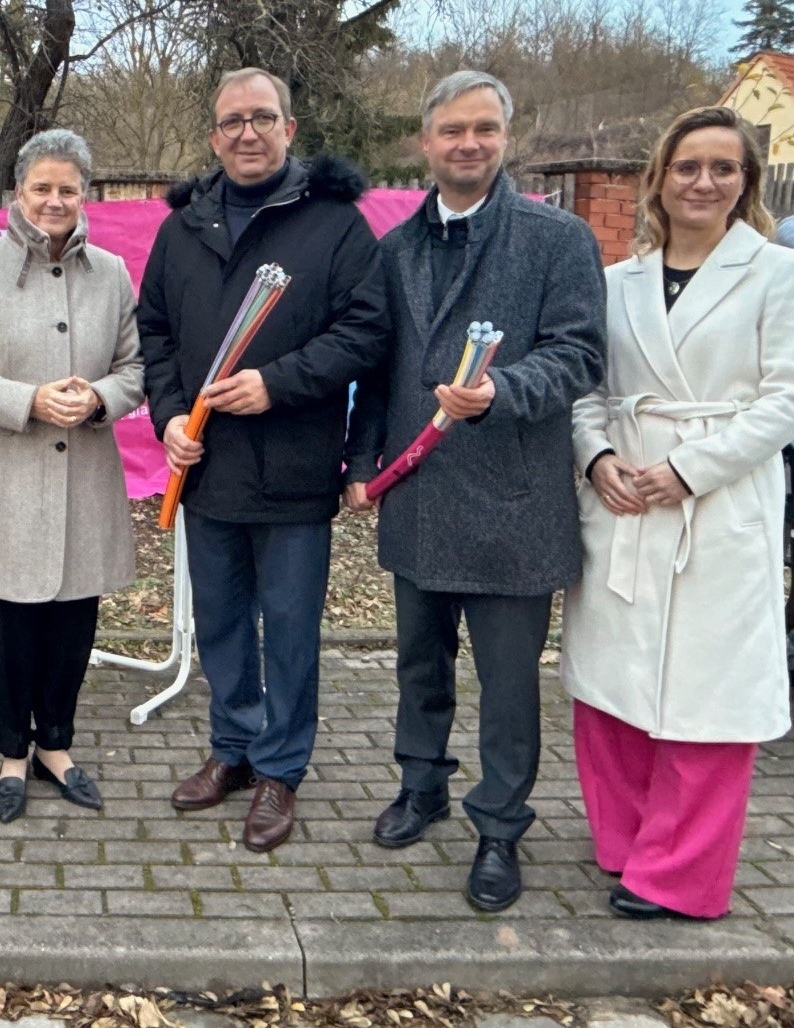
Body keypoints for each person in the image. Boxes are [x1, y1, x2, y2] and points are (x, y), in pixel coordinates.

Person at [343, 71, 606, 912]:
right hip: (417, 493)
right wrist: (360, 466)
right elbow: (378, 378)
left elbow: (579, 355)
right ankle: (420, 786)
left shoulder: (554, 239)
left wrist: (504, 391)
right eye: (452, 130)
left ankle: (498, 824)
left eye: (484, 130)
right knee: (420, 664)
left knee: (507, 684)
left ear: (504, 138)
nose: (468, 144)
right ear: (424, 143)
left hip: (512, 501)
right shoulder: (393, 250)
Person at [137, 68, 389, 852]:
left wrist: (276, 383)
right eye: (232, 122)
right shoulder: (183, 229)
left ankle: (281, 768)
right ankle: (233, 749)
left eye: (263, 118)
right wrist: (172, 416)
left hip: (292, 467)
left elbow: (365, 332)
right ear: (213, 138)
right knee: (218, 625)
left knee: (287, 629)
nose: (248, 133)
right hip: (206, 469)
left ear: (288, 127)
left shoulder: (334, 225)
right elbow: (155, 336)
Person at [561, 106, 794, 920]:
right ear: (657, 177)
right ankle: (623, 843)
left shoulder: (775, 273)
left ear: (744, 183)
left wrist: (690, 470)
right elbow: (586, 386)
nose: (703, 181)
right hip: (622, 496)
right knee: (612, 683)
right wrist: (594, 459)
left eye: (722, 169)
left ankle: (680, 876)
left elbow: (784, 399)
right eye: (687, 165)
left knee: (706, 695)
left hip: (716, 504)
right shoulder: (616, 281)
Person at [0, 129, 145, 823]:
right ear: (19, 193)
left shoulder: (110, 272)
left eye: (68, 189)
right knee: (10, 626)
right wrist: (28, 400)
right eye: (42, 188)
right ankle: (10, 754)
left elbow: (135, 369)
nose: (55, 201)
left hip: (82, 474)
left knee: (74, 620)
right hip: (7, 477)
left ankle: (56, 743)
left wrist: (100, 399)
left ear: (86, 194)